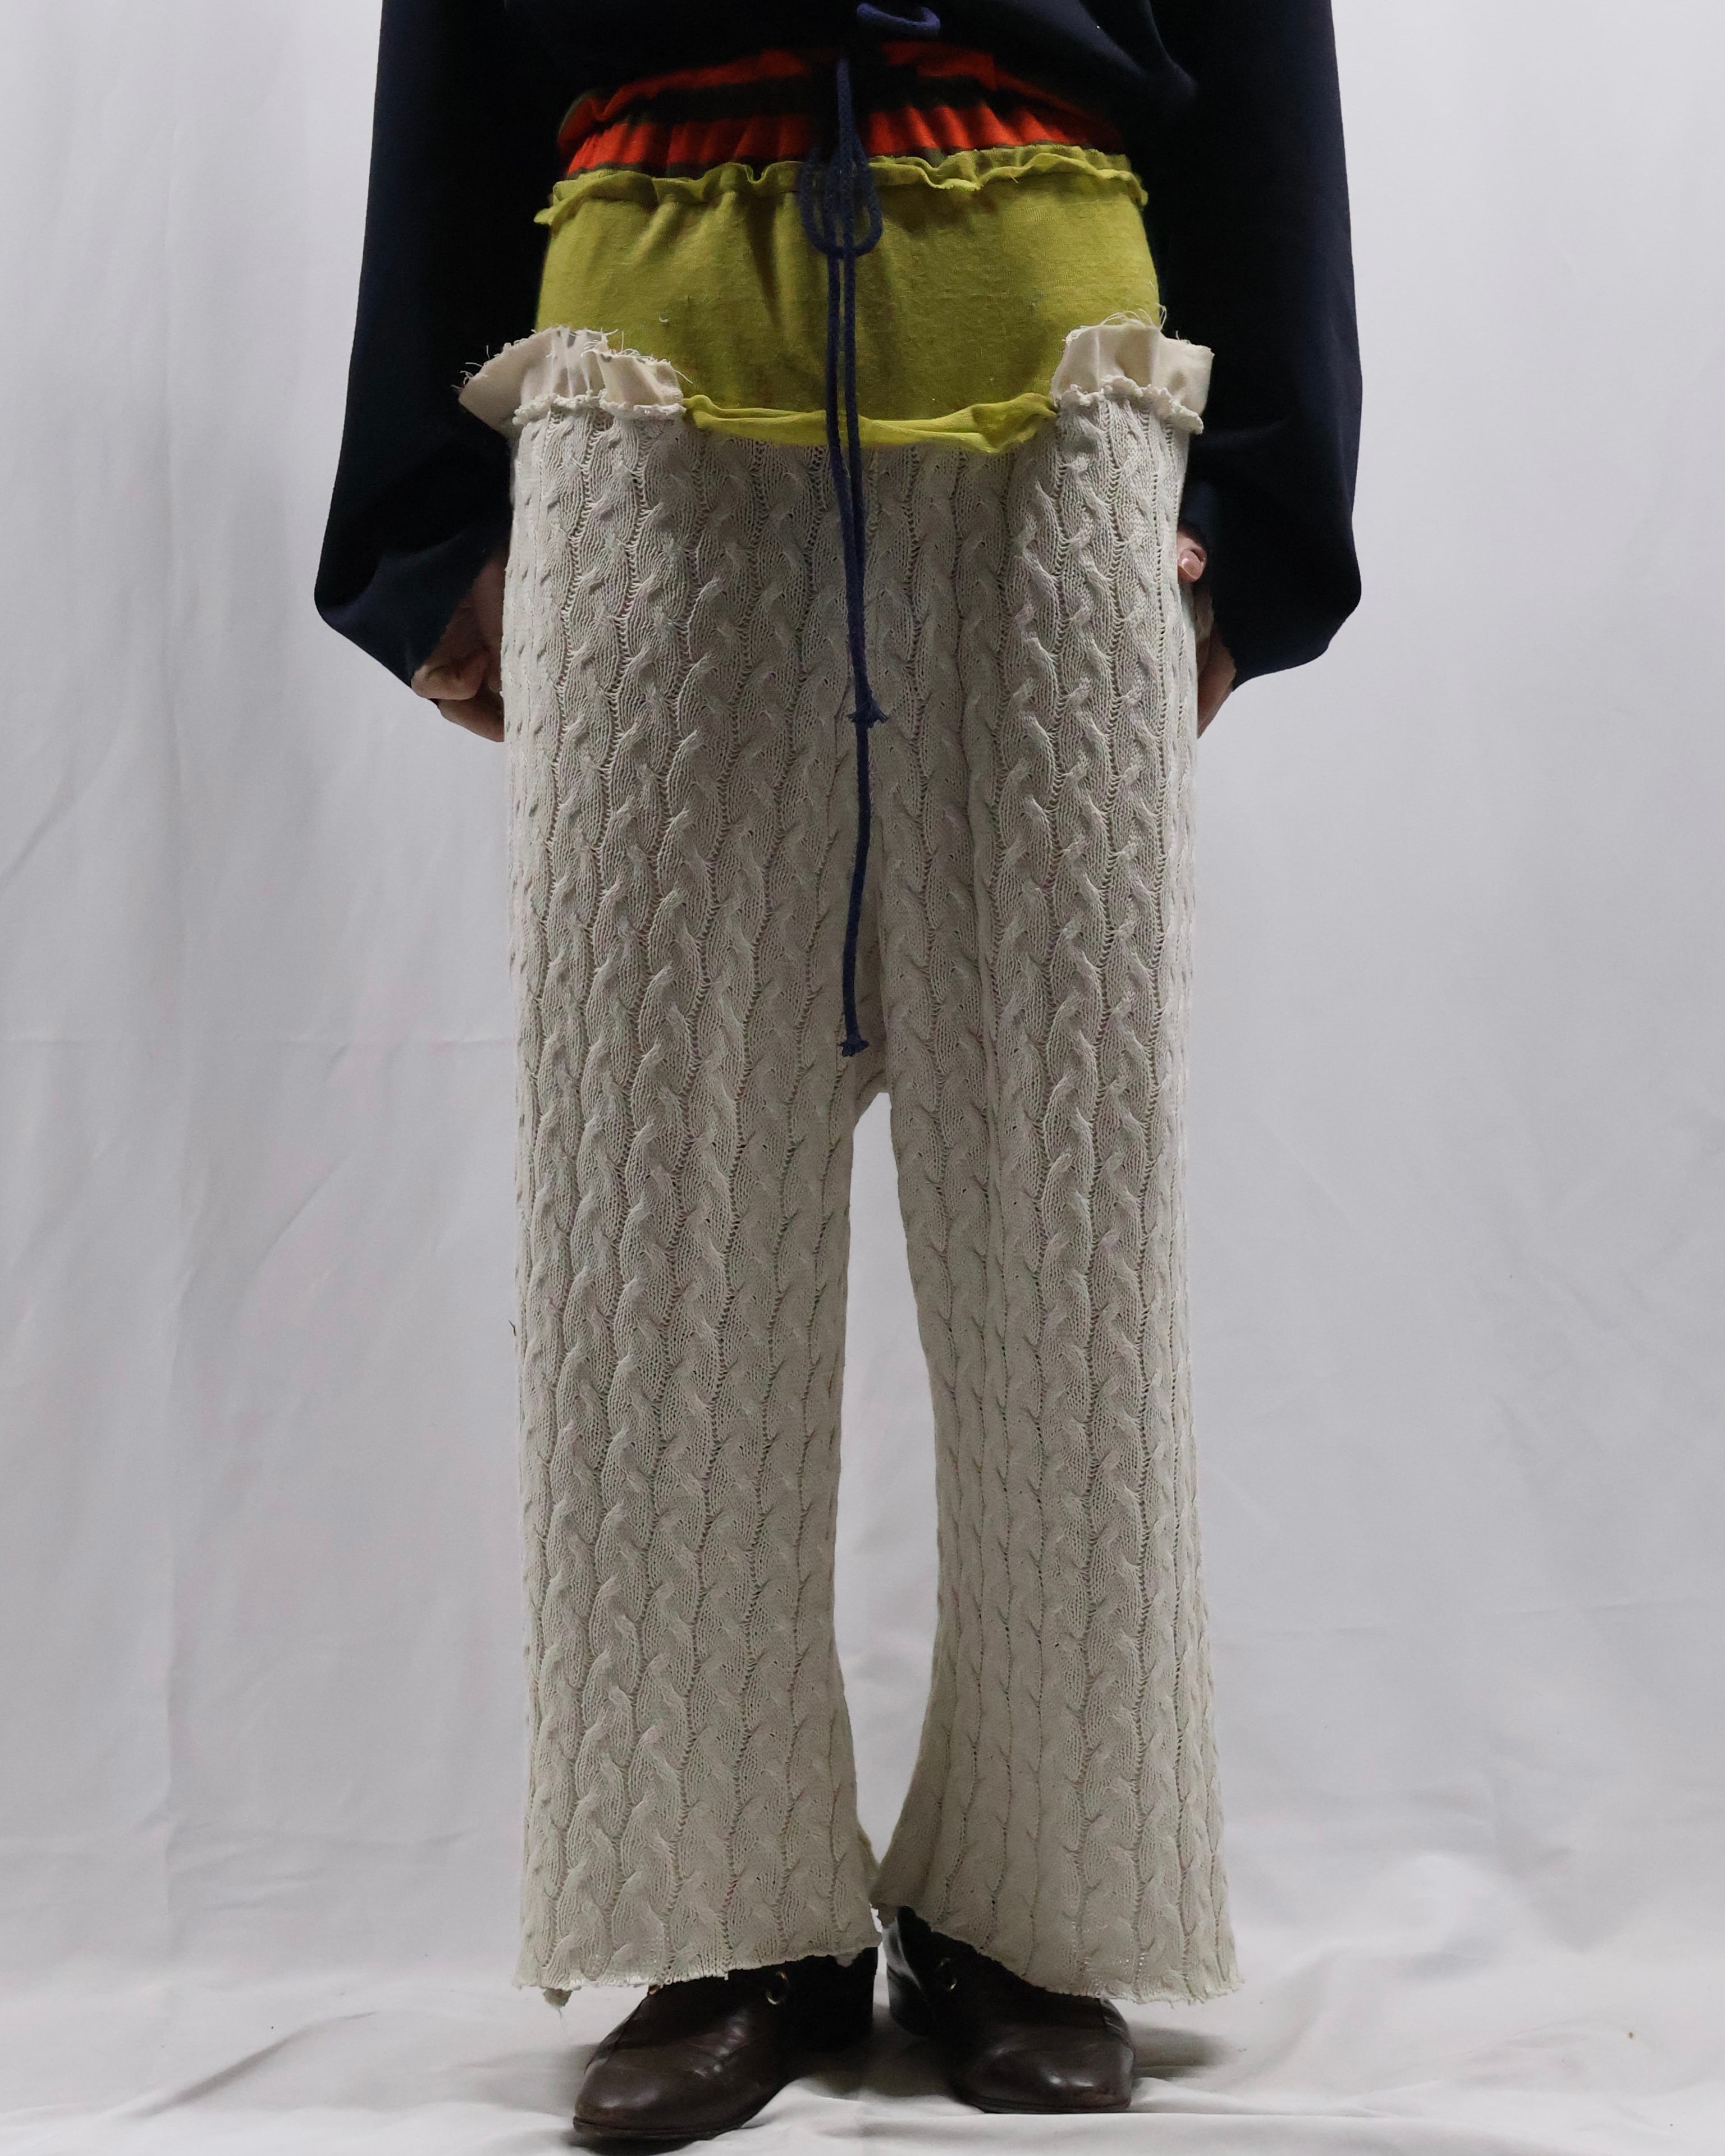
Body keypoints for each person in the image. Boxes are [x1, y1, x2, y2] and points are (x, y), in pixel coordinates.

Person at [319, 0, 1360, 2137]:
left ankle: (1035, 1908)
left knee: (1065, 1229)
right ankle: (721, 1919)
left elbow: (1260, 49)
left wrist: (1266, 517)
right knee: (651, 1219)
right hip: (641, 410)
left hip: (1062, 405)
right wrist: (424, 526)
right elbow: (451, 61)